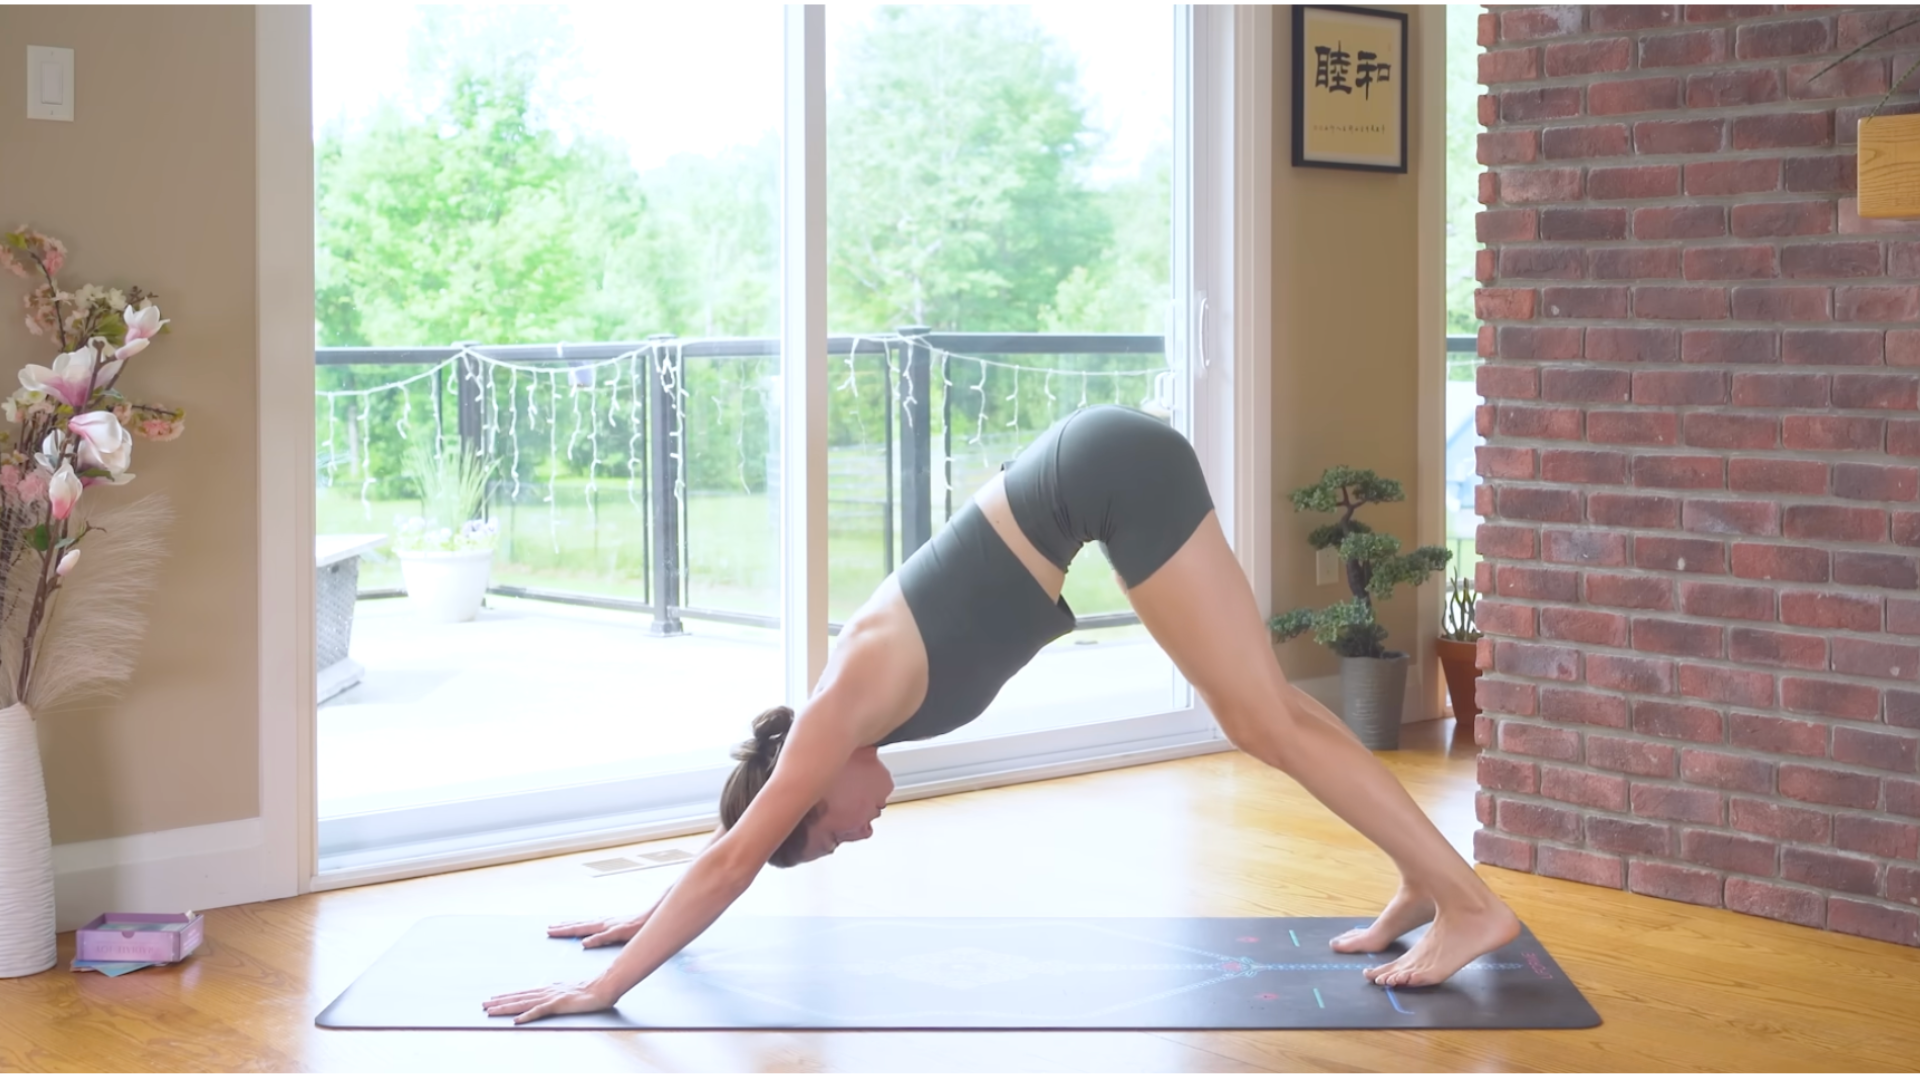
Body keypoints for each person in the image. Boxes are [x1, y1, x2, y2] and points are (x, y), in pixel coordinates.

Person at [482, 405, 1519, 1024]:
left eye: (831, 833)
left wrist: (609, 988)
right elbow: (732, 849)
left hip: (1108, 477)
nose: (860, 834)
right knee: (1268, 711)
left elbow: (734, 860)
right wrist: (648, 914)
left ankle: (1470, 905)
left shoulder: (840, 708)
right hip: (1101, 475)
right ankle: (1422, 880)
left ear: (810, 788)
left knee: (1261, 722)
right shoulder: (851, 723)